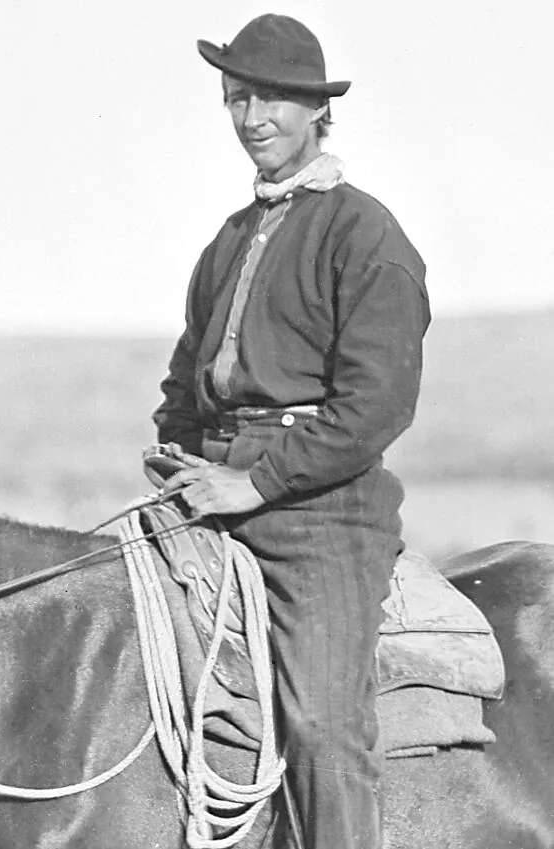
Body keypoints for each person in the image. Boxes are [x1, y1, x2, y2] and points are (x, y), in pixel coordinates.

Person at [153, 14, 430, 849]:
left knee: (322, 727)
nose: (251, 118)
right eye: (237, 97)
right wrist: (178, 452)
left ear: (317, 110)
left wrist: (256, 482)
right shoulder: (226, 243)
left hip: (323, 512)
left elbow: (375, 405)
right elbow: (181, 381)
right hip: (210, 489)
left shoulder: (364, 234)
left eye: (271, 97)